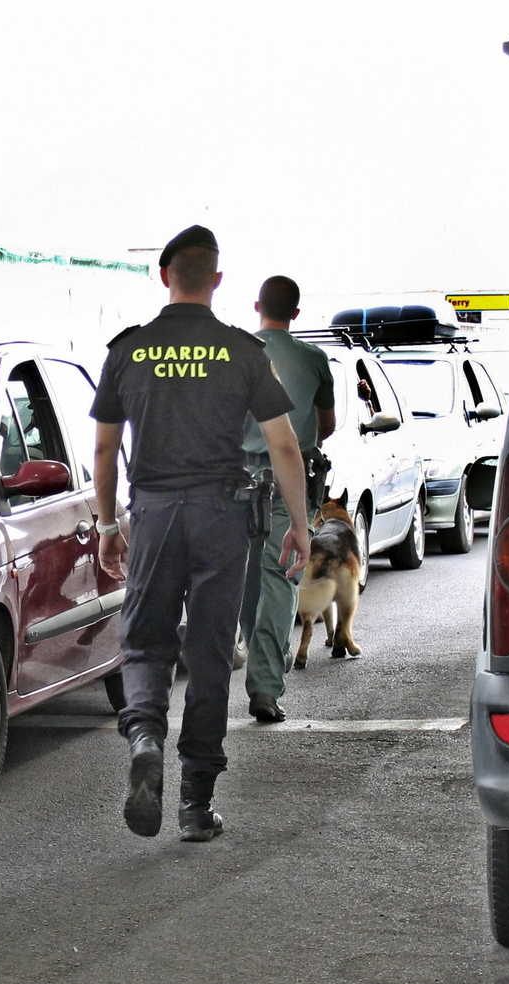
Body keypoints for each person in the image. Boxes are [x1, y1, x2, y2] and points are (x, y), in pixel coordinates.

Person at [90, 225, 310, 843]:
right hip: (222, 517)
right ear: (217, 280)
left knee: (145, 644)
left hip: (155, 514)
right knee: (210, 655)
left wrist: (107, 524)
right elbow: (283, 445)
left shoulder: (128, 350)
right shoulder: (243, 351)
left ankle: (144, 738)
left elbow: (104, 450)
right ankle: (195, 806)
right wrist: (299, 525)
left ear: (165, 276)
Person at [239, 276, 336, 722]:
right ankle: (265, 685)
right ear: (296, 313)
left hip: (238, 480)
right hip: (289, 481)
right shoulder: (314, 359)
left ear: (256, 305)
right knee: (281, 577)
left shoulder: (236, 351)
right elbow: (326, 425)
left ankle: (250, 662)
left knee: (244, 578)